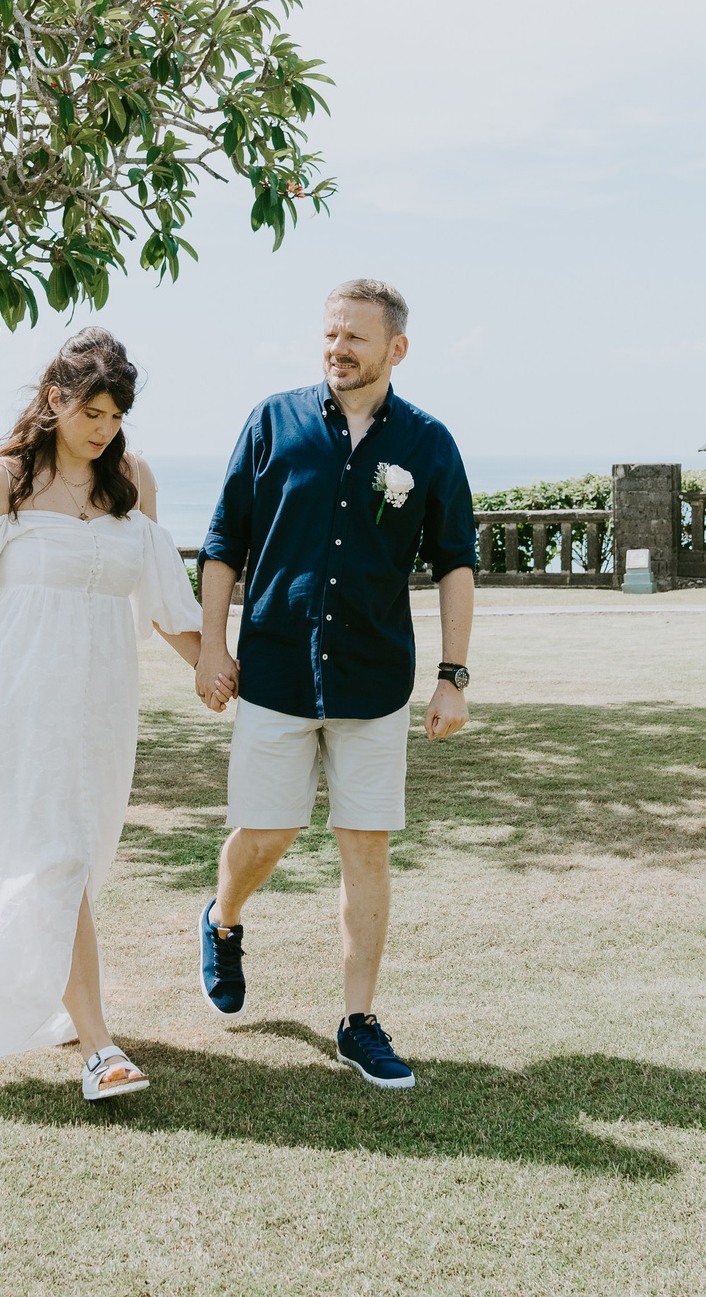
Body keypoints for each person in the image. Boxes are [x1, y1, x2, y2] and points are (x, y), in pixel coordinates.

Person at [0, 328, 212, 1101]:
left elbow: (164, 602)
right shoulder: (4, 482)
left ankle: (64, 1007)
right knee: (53, 858)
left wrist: (213, 667)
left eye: (116, 414)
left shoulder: (133, 481)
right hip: (15, 703)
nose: (104, 428)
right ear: (56, 400)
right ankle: (101, 1047)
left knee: (72, 863)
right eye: (92, 410)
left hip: (99, 705)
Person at [193, 278, 476, 1090]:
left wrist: (454, 675)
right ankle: (225, 917)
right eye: (329, 335)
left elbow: (455, 560)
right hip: (275, 673)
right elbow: (222, 543)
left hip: (374, 681)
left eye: (355, 337)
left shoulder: (429, 444)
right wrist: (212, 645)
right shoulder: (271, 421)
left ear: (397, 348)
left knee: (366, 848)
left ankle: (357, 1021)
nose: (338, 349)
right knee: (265, 834)